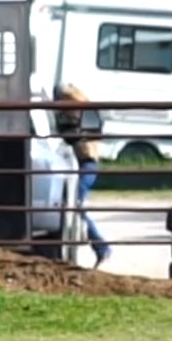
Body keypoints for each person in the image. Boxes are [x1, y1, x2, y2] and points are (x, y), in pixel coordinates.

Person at [54, 83, 111, 266]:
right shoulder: (80, 114)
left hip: (87, 163)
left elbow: (76, 139)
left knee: (75, 202)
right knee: (74, 204)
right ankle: (97, 246)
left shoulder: (83, 115)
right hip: (80, 163)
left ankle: (100, 245)